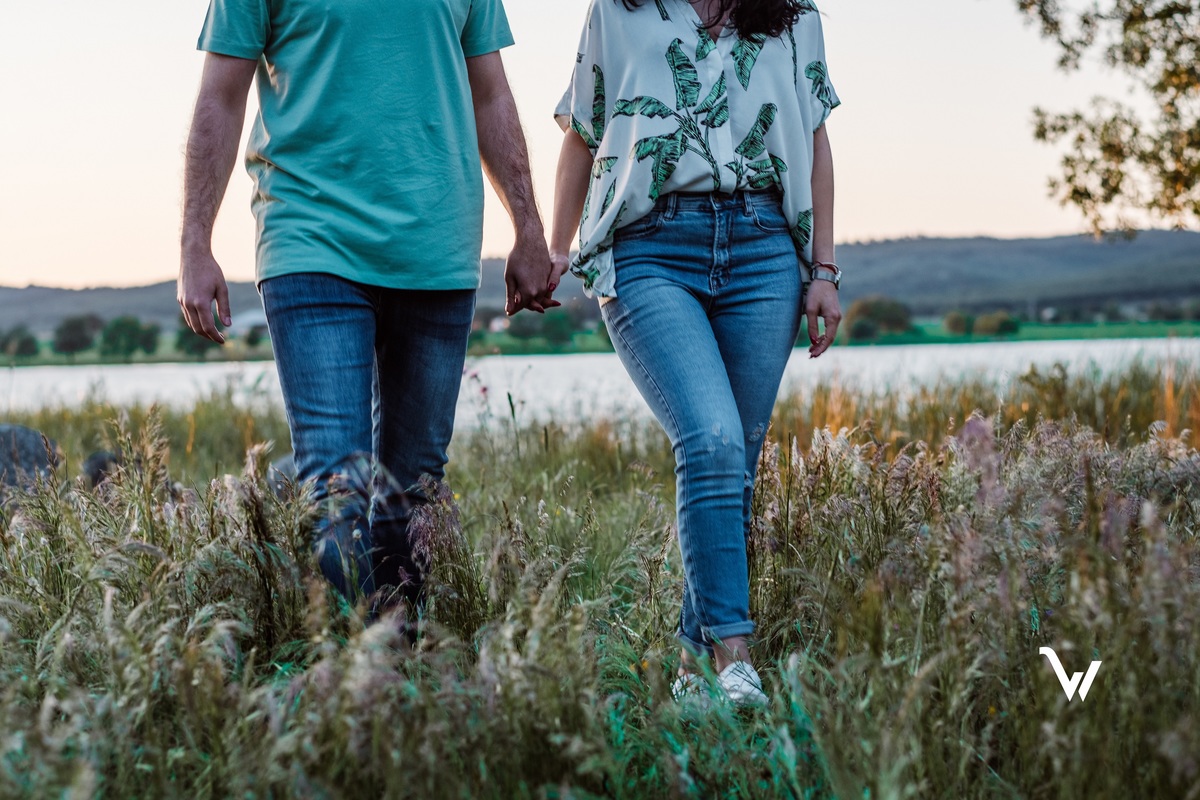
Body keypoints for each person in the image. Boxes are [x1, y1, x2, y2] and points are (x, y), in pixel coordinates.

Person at [178, 0, 556, 617]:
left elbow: (491, 95)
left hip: (437, 248)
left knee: (414, 494)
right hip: (310, 237)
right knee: (335, 492)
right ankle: (346, 683)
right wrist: (196, 241)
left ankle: (398, 680)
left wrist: (530, 228)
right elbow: (220, 96)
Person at [549, 0, 842, 705]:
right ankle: (735, 658)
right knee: (709, 440)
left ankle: (689, 668)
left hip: (764, 249)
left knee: (733, 465)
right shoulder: (619, 11)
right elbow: (584, 132)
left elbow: (817, 137)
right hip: (650, 247)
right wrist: (553, 249)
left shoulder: (793, 17)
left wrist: (823, 270)